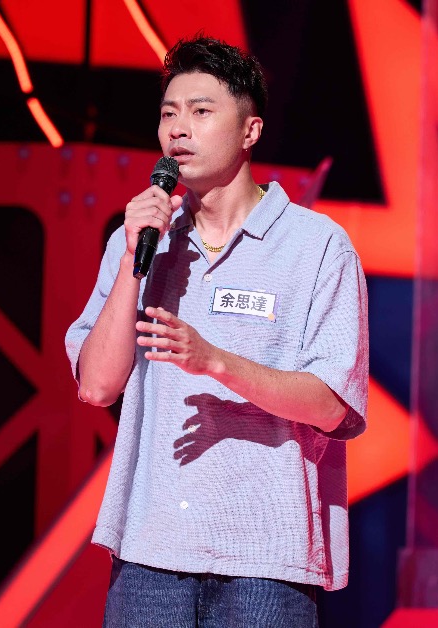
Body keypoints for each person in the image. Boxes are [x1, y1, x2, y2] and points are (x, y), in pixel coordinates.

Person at [65, 35, 369, 627]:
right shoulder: (142, 240)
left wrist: (215, 361)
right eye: (168, 114)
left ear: (250, 131)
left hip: (266, 562)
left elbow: (333, 405)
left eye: (201, 111)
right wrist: (131, 258)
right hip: (149, 554)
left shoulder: (317, 246)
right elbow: (97, 386)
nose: (178, 129)